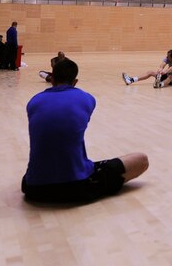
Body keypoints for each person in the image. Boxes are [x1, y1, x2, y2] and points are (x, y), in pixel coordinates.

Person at [22, 57, 149, 203]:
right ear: (75, 82)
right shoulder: (86, 98)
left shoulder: (33, 102)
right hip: (77, 187)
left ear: (51, 78)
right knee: (141, 160)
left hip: (33, 188)